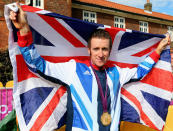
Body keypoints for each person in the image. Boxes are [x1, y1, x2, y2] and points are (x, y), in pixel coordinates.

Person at [9, 3, 170, 131]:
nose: (100, 54)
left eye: (104, 49)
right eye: (96, 49)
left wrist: (158, 50)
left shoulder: (116, 73)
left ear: (110, 50)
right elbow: (37, 65)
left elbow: (141, 71)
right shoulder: (73, 69)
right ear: (89, 50)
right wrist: (23, 30)